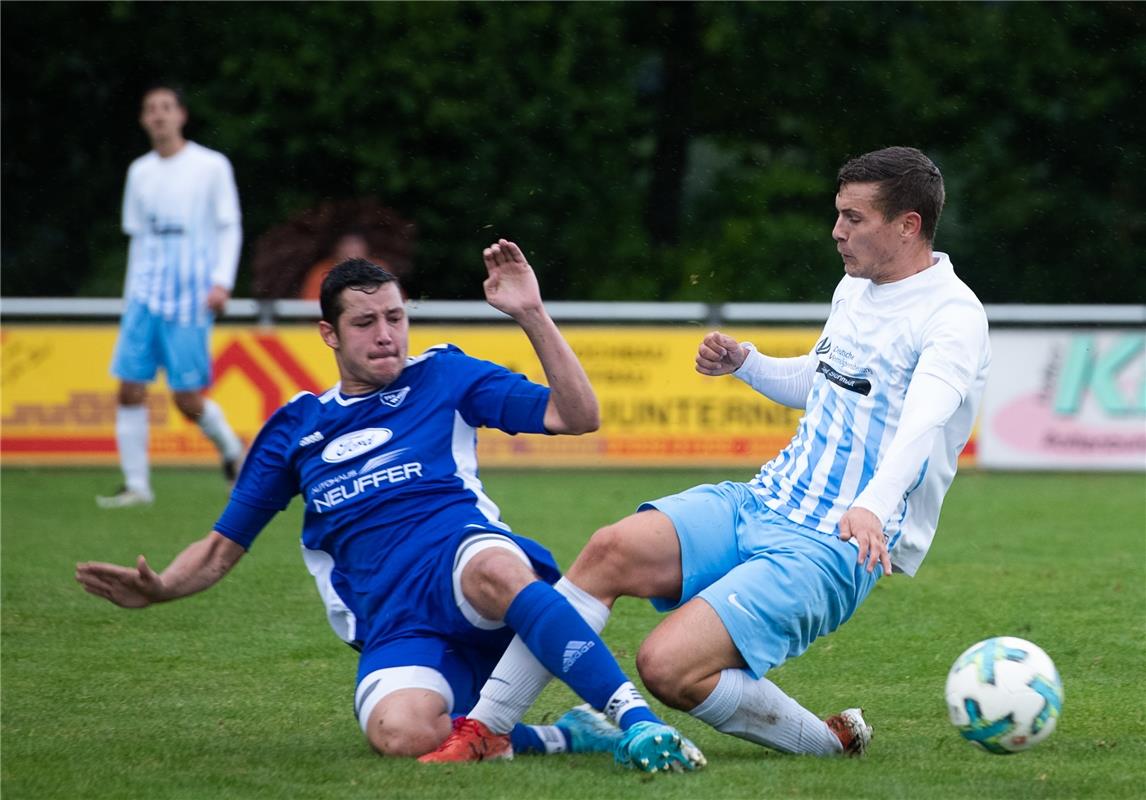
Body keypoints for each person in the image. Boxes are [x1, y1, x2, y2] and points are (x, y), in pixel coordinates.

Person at [428, 146, 991, 761]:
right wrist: (747, 364)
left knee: (666, 667)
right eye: (838, 214)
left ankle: (825, 746)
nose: (837, 231)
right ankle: (486, 730)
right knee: (609, 549)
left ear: (908, 225)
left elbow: (923, 424)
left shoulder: (953, 317)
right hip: (765, 498)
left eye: (853, 218)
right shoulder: (857, 288)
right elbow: (826, 380)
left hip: (834, 541)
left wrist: (873, 507)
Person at [76, 242, 703, 773]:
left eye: (396, 318)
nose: (386, 334)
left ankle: (639, 725)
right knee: (401, 737)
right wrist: (163, 588)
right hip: (398, 623)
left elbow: (578, 416)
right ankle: (566, 734)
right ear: (328, 333)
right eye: (365, 322)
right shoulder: (297, 427)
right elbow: (220, 548)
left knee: (491, 566)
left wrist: (532, 314)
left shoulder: (445, 376)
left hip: (470, 575)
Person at [97, 84, 244, 508]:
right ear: (143, 120)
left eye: (165, 107)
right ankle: (136, 486)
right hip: (144, 296)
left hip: (190, 298)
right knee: (128, 389)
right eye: (150, 109)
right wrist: (131, 297)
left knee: (186, 399)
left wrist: (222, 281)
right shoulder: (139, 171)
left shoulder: (210, 166)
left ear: (181, 114)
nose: (158, 115)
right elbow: (138, 239)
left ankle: (231, 450)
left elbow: (228, 225)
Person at [298, 230, 375, 300]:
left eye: (355, 244)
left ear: (365, 248)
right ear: (337, 248)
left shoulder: (377, 268)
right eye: (347, 244)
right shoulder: (321, 271)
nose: (351, 249)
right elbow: (311, 304)